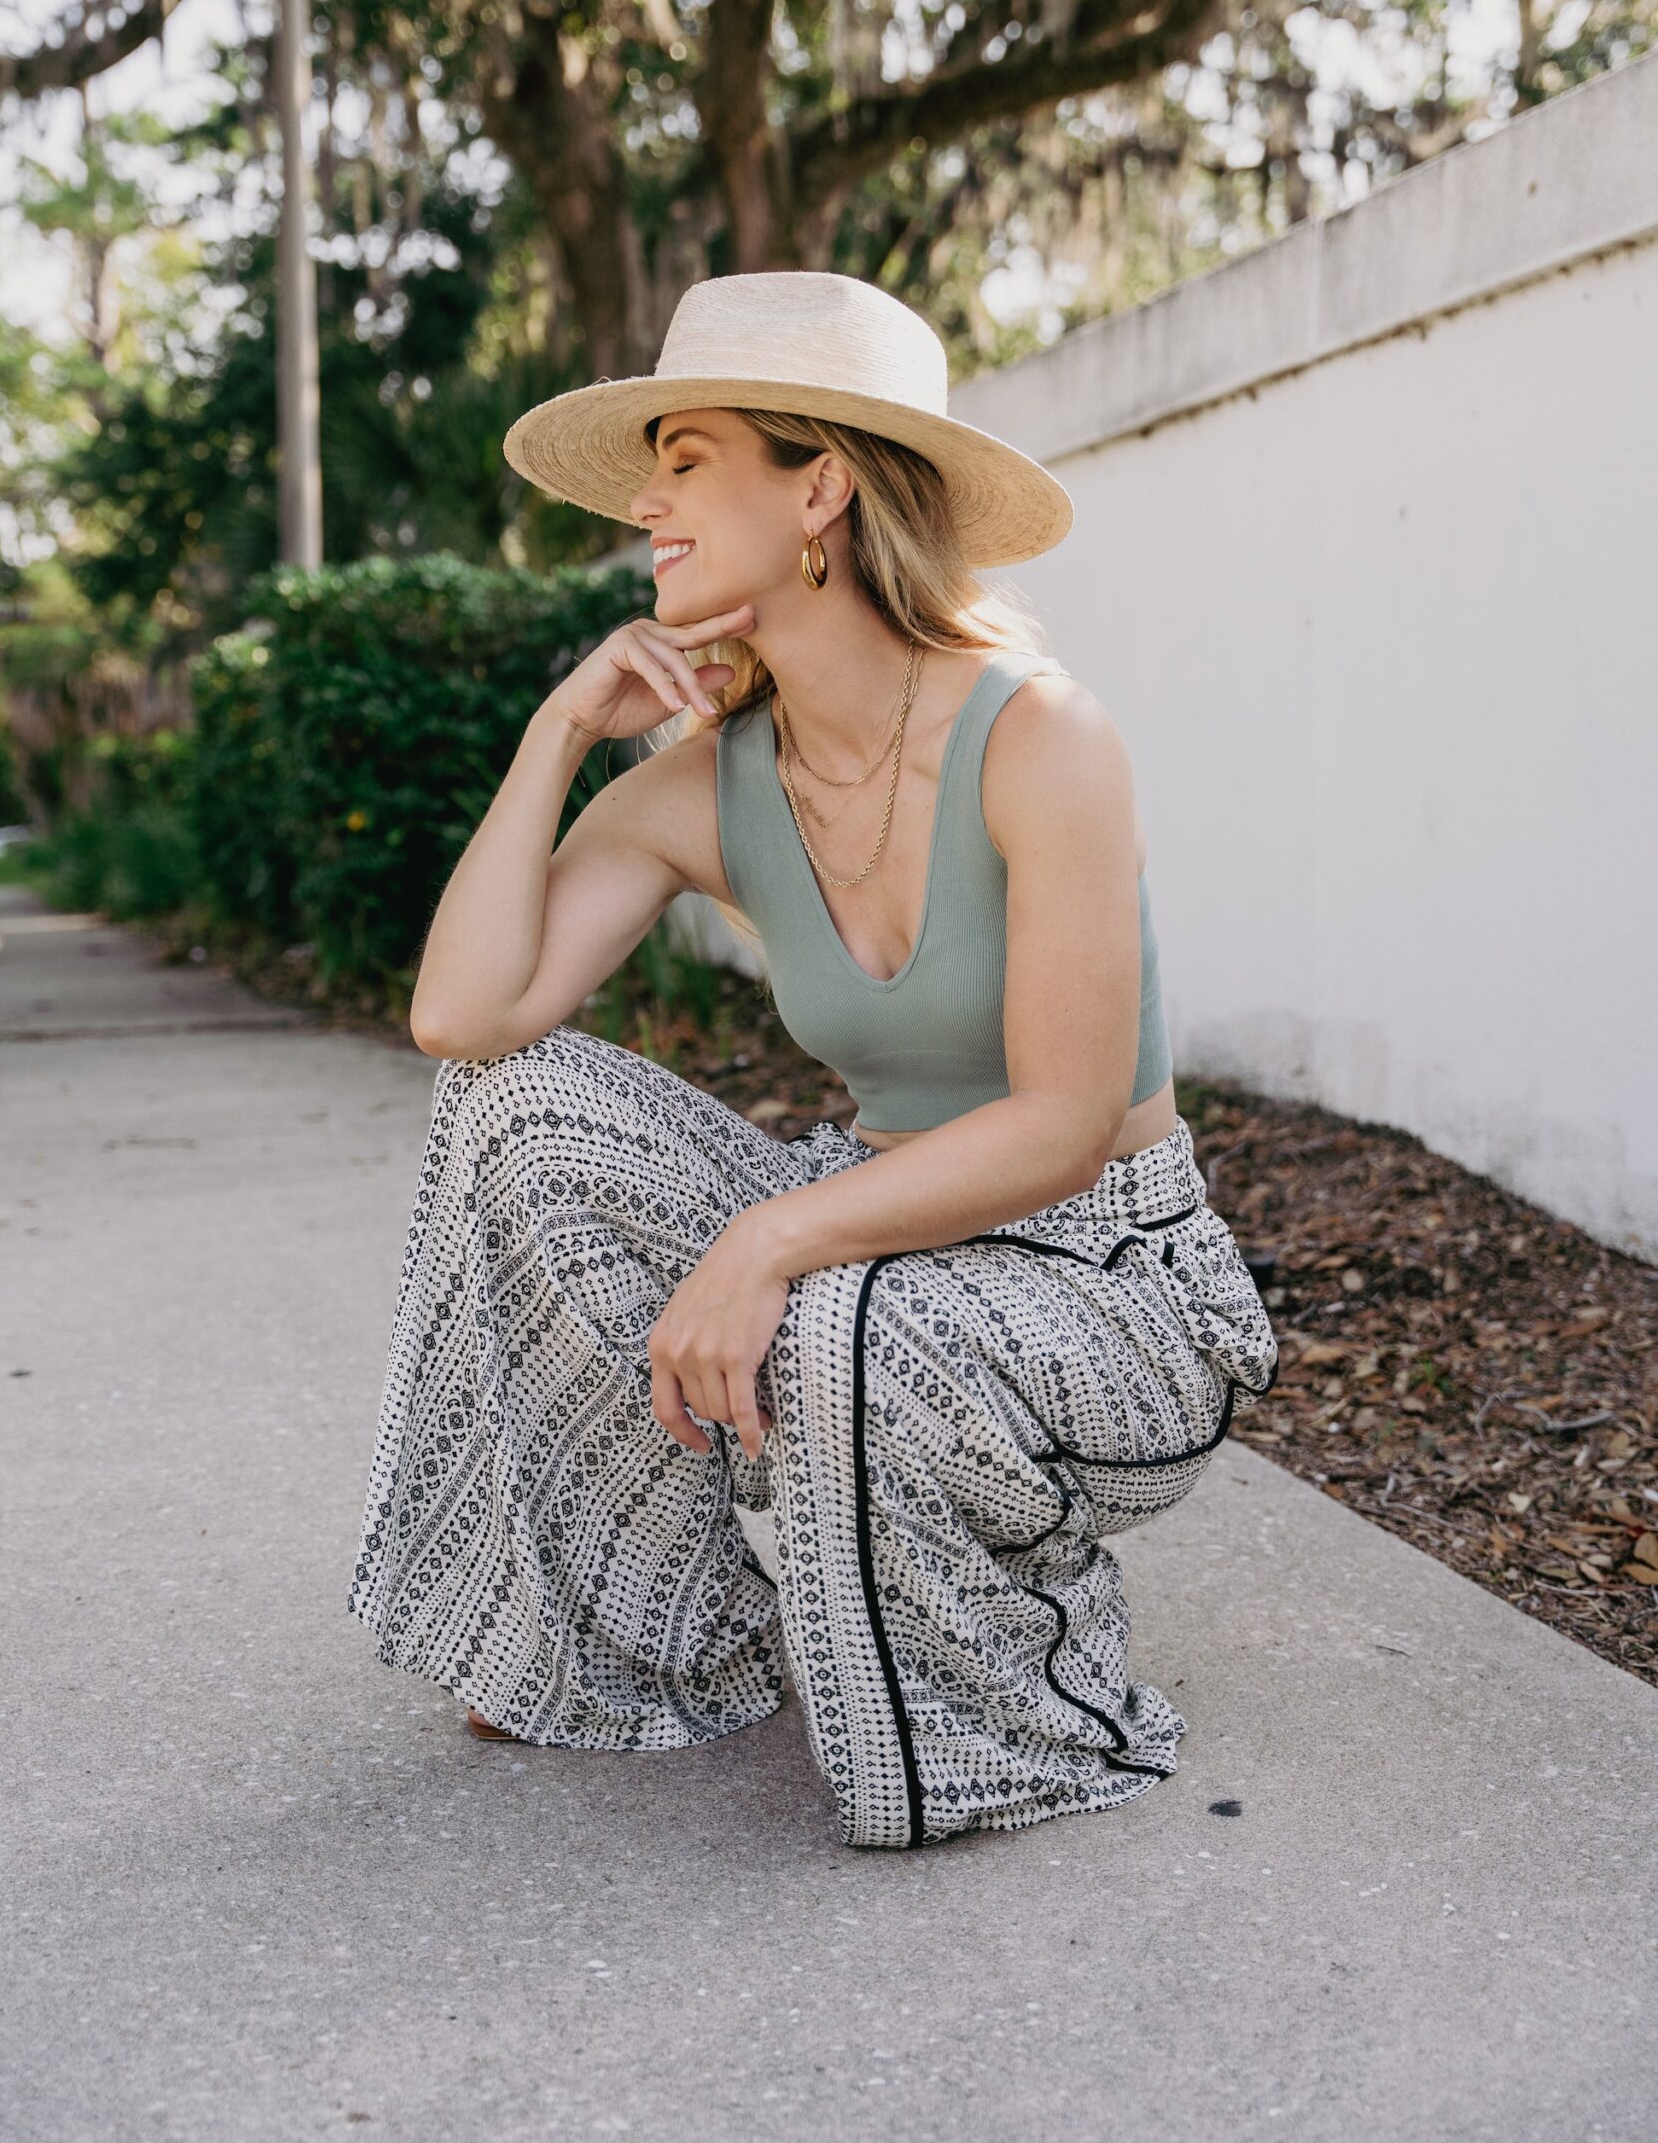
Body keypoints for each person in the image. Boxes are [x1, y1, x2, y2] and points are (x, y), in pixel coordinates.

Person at [346, 270, 1278, 1851]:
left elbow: (1064, 1123)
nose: (646, 502)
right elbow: (466, 1019)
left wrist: (767, 1242)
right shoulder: (709, 782)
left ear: (821, 489)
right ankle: (657, 1630)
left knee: (850, 1313)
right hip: (876, 1241)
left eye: (687, 459)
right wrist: (557, 733)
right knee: (520, 1112)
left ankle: (1007, 1701)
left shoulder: (1042, 736)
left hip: (1111, 1286)